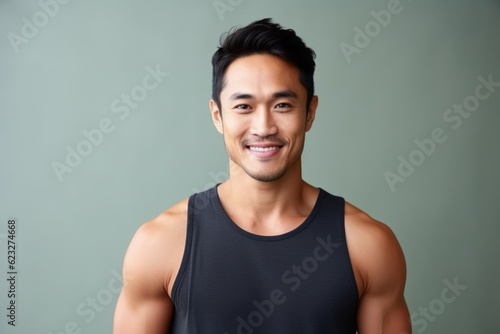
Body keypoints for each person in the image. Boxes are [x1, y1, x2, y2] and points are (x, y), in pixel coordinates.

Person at [113, 18, 411, 334]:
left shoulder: (368, 245)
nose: (263, 127)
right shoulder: (159, 244)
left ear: (309, 112)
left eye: (282, 105)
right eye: (244, 106)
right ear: (218, 116)